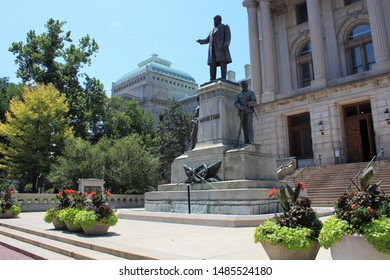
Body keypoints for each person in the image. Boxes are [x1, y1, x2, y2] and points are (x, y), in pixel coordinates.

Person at [196, 15, 232, 81]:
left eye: (215, 20)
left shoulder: (224, 27)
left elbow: (228, 36)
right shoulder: (211, 30)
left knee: (222, 62)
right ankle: (212, 78)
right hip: (212, 50)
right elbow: (207, 39)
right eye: (214, 20)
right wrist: (201, 41)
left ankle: (223, 77)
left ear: (219, 20)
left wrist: (226, 44)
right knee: (212, 64)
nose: (214, 22)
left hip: (221, 48)